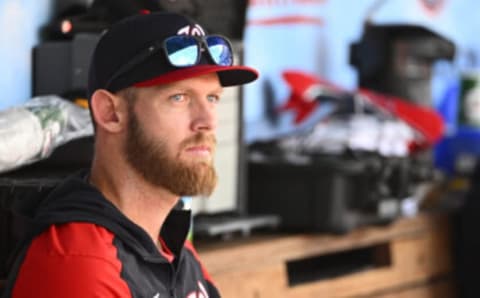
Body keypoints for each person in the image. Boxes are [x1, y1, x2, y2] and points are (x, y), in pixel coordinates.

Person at [2, 11, 258, 298]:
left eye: (212, 98)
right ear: (110, 113)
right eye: (179, 97)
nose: (208, 120)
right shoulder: (78, 263)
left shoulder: (168, 240)